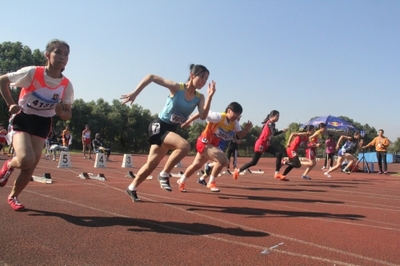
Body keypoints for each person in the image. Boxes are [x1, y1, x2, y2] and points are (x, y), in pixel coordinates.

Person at [121, 64, 215, 202]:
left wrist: (210, 97)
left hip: (171, 130)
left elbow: (202, 115)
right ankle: (164, 174)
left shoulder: (199, 97)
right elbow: (151, 77)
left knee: (151, 164)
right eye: (201, 77)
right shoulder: (177, 87)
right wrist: (135, 93)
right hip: (158, 126)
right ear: (192, 75)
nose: (203, 82)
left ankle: (132, 187)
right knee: (184, 146)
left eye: (206, 79)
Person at [0, 39, 73, 211]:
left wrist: (62, 113)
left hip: (43, 123)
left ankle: (13, 197)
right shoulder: (33, 73)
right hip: (23, 118)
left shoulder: (66, 85)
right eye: (58, 52)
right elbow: (2, 80)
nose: (63, 57)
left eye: (66, 54)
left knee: (30, 167)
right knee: (26, 159)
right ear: (48, 55)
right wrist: (10, 104)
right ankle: (8, 165)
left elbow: (68, 114)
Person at [177, 102, 253, 192]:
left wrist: (246, 129)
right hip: (204, 142)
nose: (237, 116)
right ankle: (211, 182)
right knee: (223, 160)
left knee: (196, 166)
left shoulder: (234, 123)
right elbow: (202, 112)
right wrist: (188, 121)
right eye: (235, 113)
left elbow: (240, 135)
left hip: (212, 146)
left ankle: (181, 181)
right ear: (229, 110)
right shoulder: (218, 117)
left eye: (239, 114)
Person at [233, 110, 287, 180]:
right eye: (277, 116)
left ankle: (276, 174)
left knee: (279, 154)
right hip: (261, 144)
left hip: (266, 144)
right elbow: (274, 133)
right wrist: (282, 131)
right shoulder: (270, 123)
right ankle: (237, 171)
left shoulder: (272, 123)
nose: (278, 118)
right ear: (272, 116)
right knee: (253, 162)